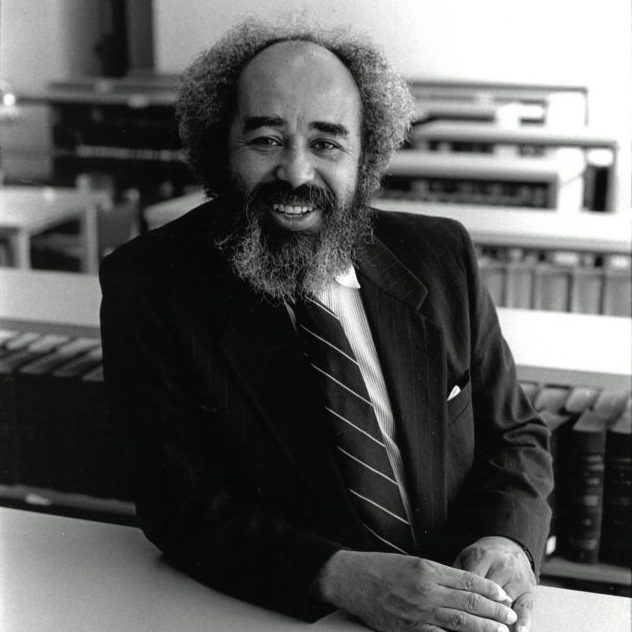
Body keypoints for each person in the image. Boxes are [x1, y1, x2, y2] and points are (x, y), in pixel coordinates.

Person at [100, 21, 553, 632]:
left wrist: (508, 542)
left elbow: (514, 435)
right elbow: (177, 504)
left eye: (327, 142)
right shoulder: (151, 284)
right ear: (219, 145)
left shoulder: (442, 255)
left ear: (366, 156)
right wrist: (342, 576)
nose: (295, 172)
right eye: (265, 140)